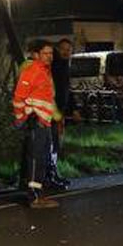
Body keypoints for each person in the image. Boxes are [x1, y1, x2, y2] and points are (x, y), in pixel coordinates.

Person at [11, 39, 60, 208]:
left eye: (51, 53)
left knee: (42, 159)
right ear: (37, 54)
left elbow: (47, 98)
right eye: (46, 53)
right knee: (35, 158)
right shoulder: (31, 71)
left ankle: (38, 194)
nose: (49, 56)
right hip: (35, 120)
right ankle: (33, 196)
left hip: (44, 121)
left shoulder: (44, 71)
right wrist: (21, 118)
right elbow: (19, 97)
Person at [48, 39, 74, 192]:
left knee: (55, 143)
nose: (66, 52)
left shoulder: (64, 65)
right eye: (63, 49)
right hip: (53, 112)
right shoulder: (56, 66)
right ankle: (51, 176)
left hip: (59, 111)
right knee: (52, 143)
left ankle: (53, 174)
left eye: (69, 49)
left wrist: (71, 109)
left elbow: (66, 90)